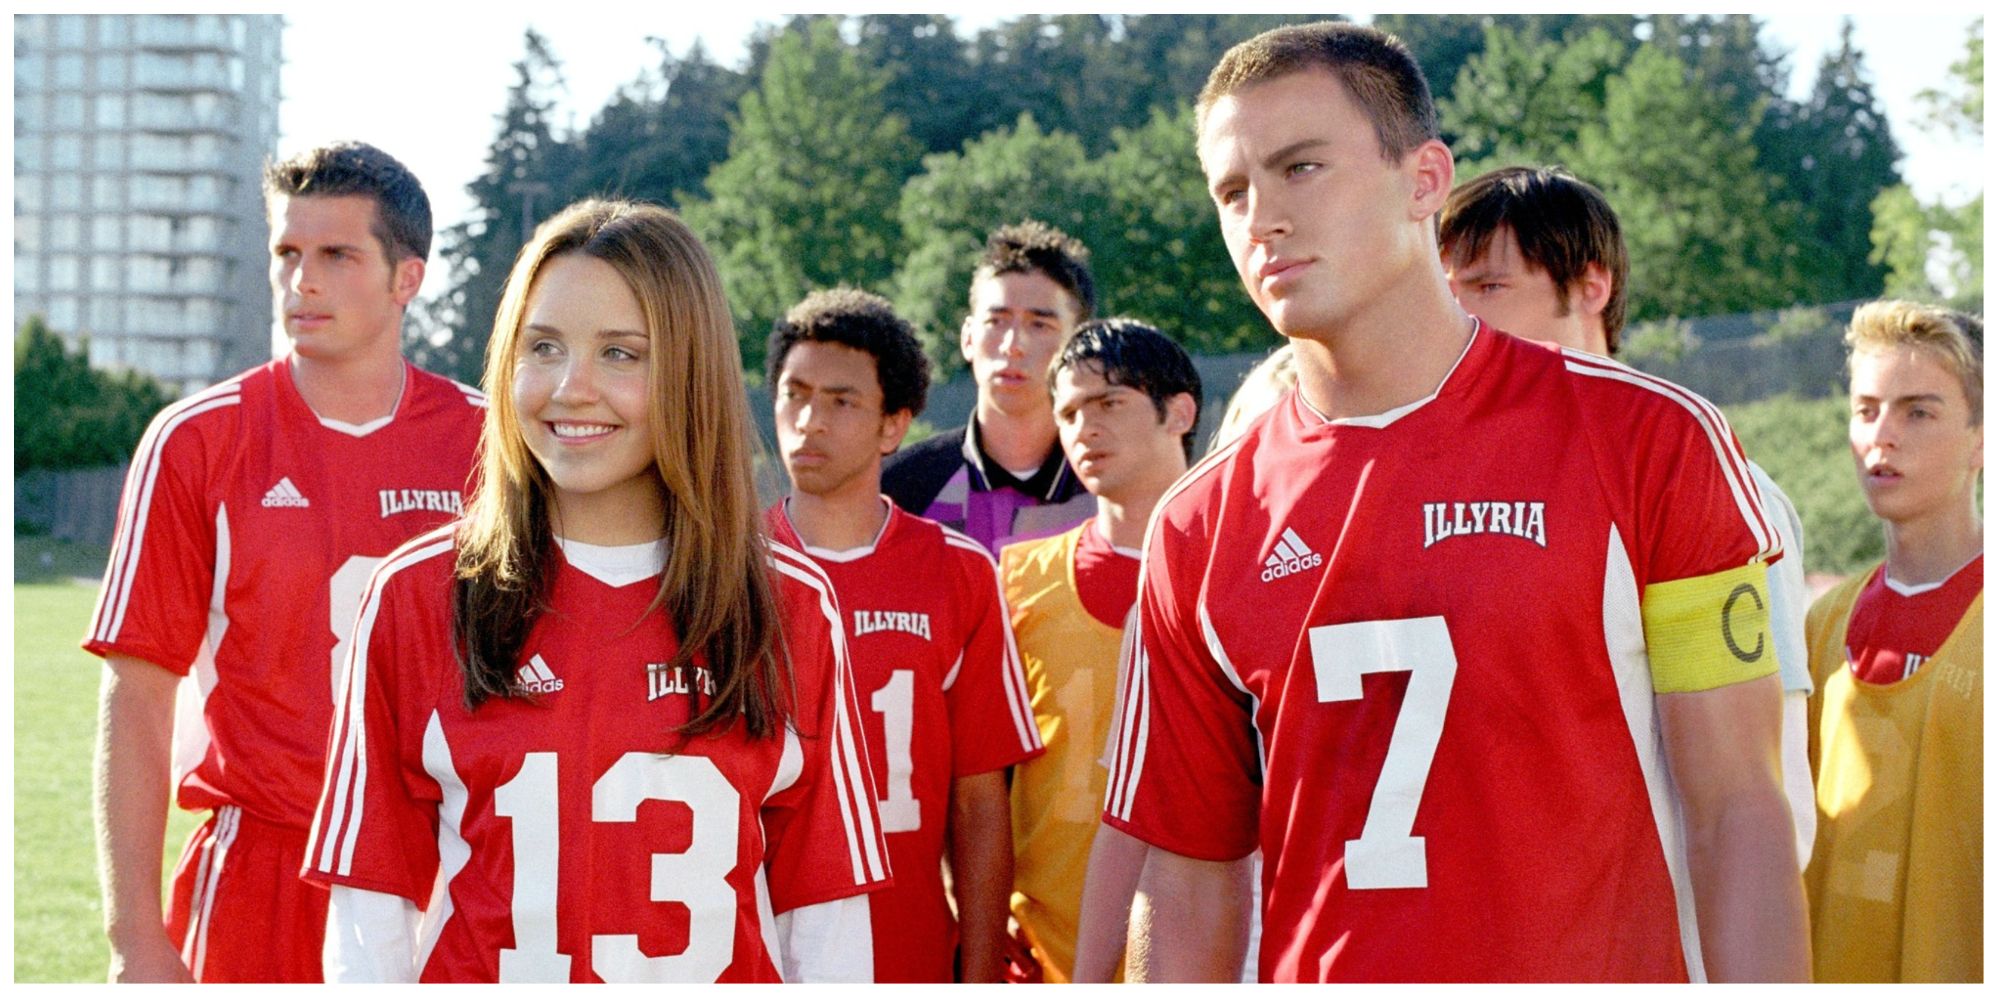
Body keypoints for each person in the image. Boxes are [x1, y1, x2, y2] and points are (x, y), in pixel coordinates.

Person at [1100, 22, 1807, 982]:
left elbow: (1741, 810)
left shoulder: (1649, 440)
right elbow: (1186, 886)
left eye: (1301, 167)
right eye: (1232, 191)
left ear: (1425, 179)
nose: (1260, 216)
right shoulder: (1198, 524)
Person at [301, 200, 892, 983]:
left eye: (622, 354)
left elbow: (825, 923)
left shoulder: (788, 606)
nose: (571, 388)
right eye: (543, 347)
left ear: (692, 371)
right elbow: (370, 916)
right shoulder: (419, 595)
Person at [82, 141, 483, 983]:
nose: (302, 281)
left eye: (337, 256)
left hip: (444, 866)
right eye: (288, 254)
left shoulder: (491, 446)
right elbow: (139, 697)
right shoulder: (199, 440)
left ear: (407, 277)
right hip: (264, 862)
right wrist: (135, 939)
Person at [1438, 164, 1818, 871]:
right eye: (1448, 290)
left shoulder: (1704, 477)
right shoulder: (1454, 492)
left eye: (1489, 287)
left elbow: (1771, 774)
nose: (1460, 315)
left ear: (1591, 286)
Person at [761, 287, 1043, 982]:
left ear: (894, 425)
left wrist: (976, 976)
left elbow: (979, 804)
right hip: (752, 948)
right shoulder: (722, 569)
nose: (809, 421)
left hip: (905, 950)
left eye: (841, 401)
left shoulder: (957, 572)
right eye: (794, 395)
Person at [1000, 318, 1200, 984]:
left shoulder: (1240, 573)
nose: (1084, 427)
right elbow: (972, 781)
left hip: (1204, 946)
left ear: (1179, 412)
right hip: (1046, 954)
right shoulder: (1015, 581)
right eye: (1069, 412)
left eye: (1109, 403)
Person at [1803, 300, 1982, 983]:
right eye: (1867, 408)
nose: (1883, 436)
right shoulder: (1825, 625)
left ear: (1981, 439)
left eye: (1918, 412)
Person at [882, 221, 1098, 555]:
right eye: (996, 321)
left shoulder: (1110, 489)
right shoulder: (902, 489)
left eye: (1039, 324)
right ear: (968, 337)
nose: (1013, 345)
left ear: (1078, 343)